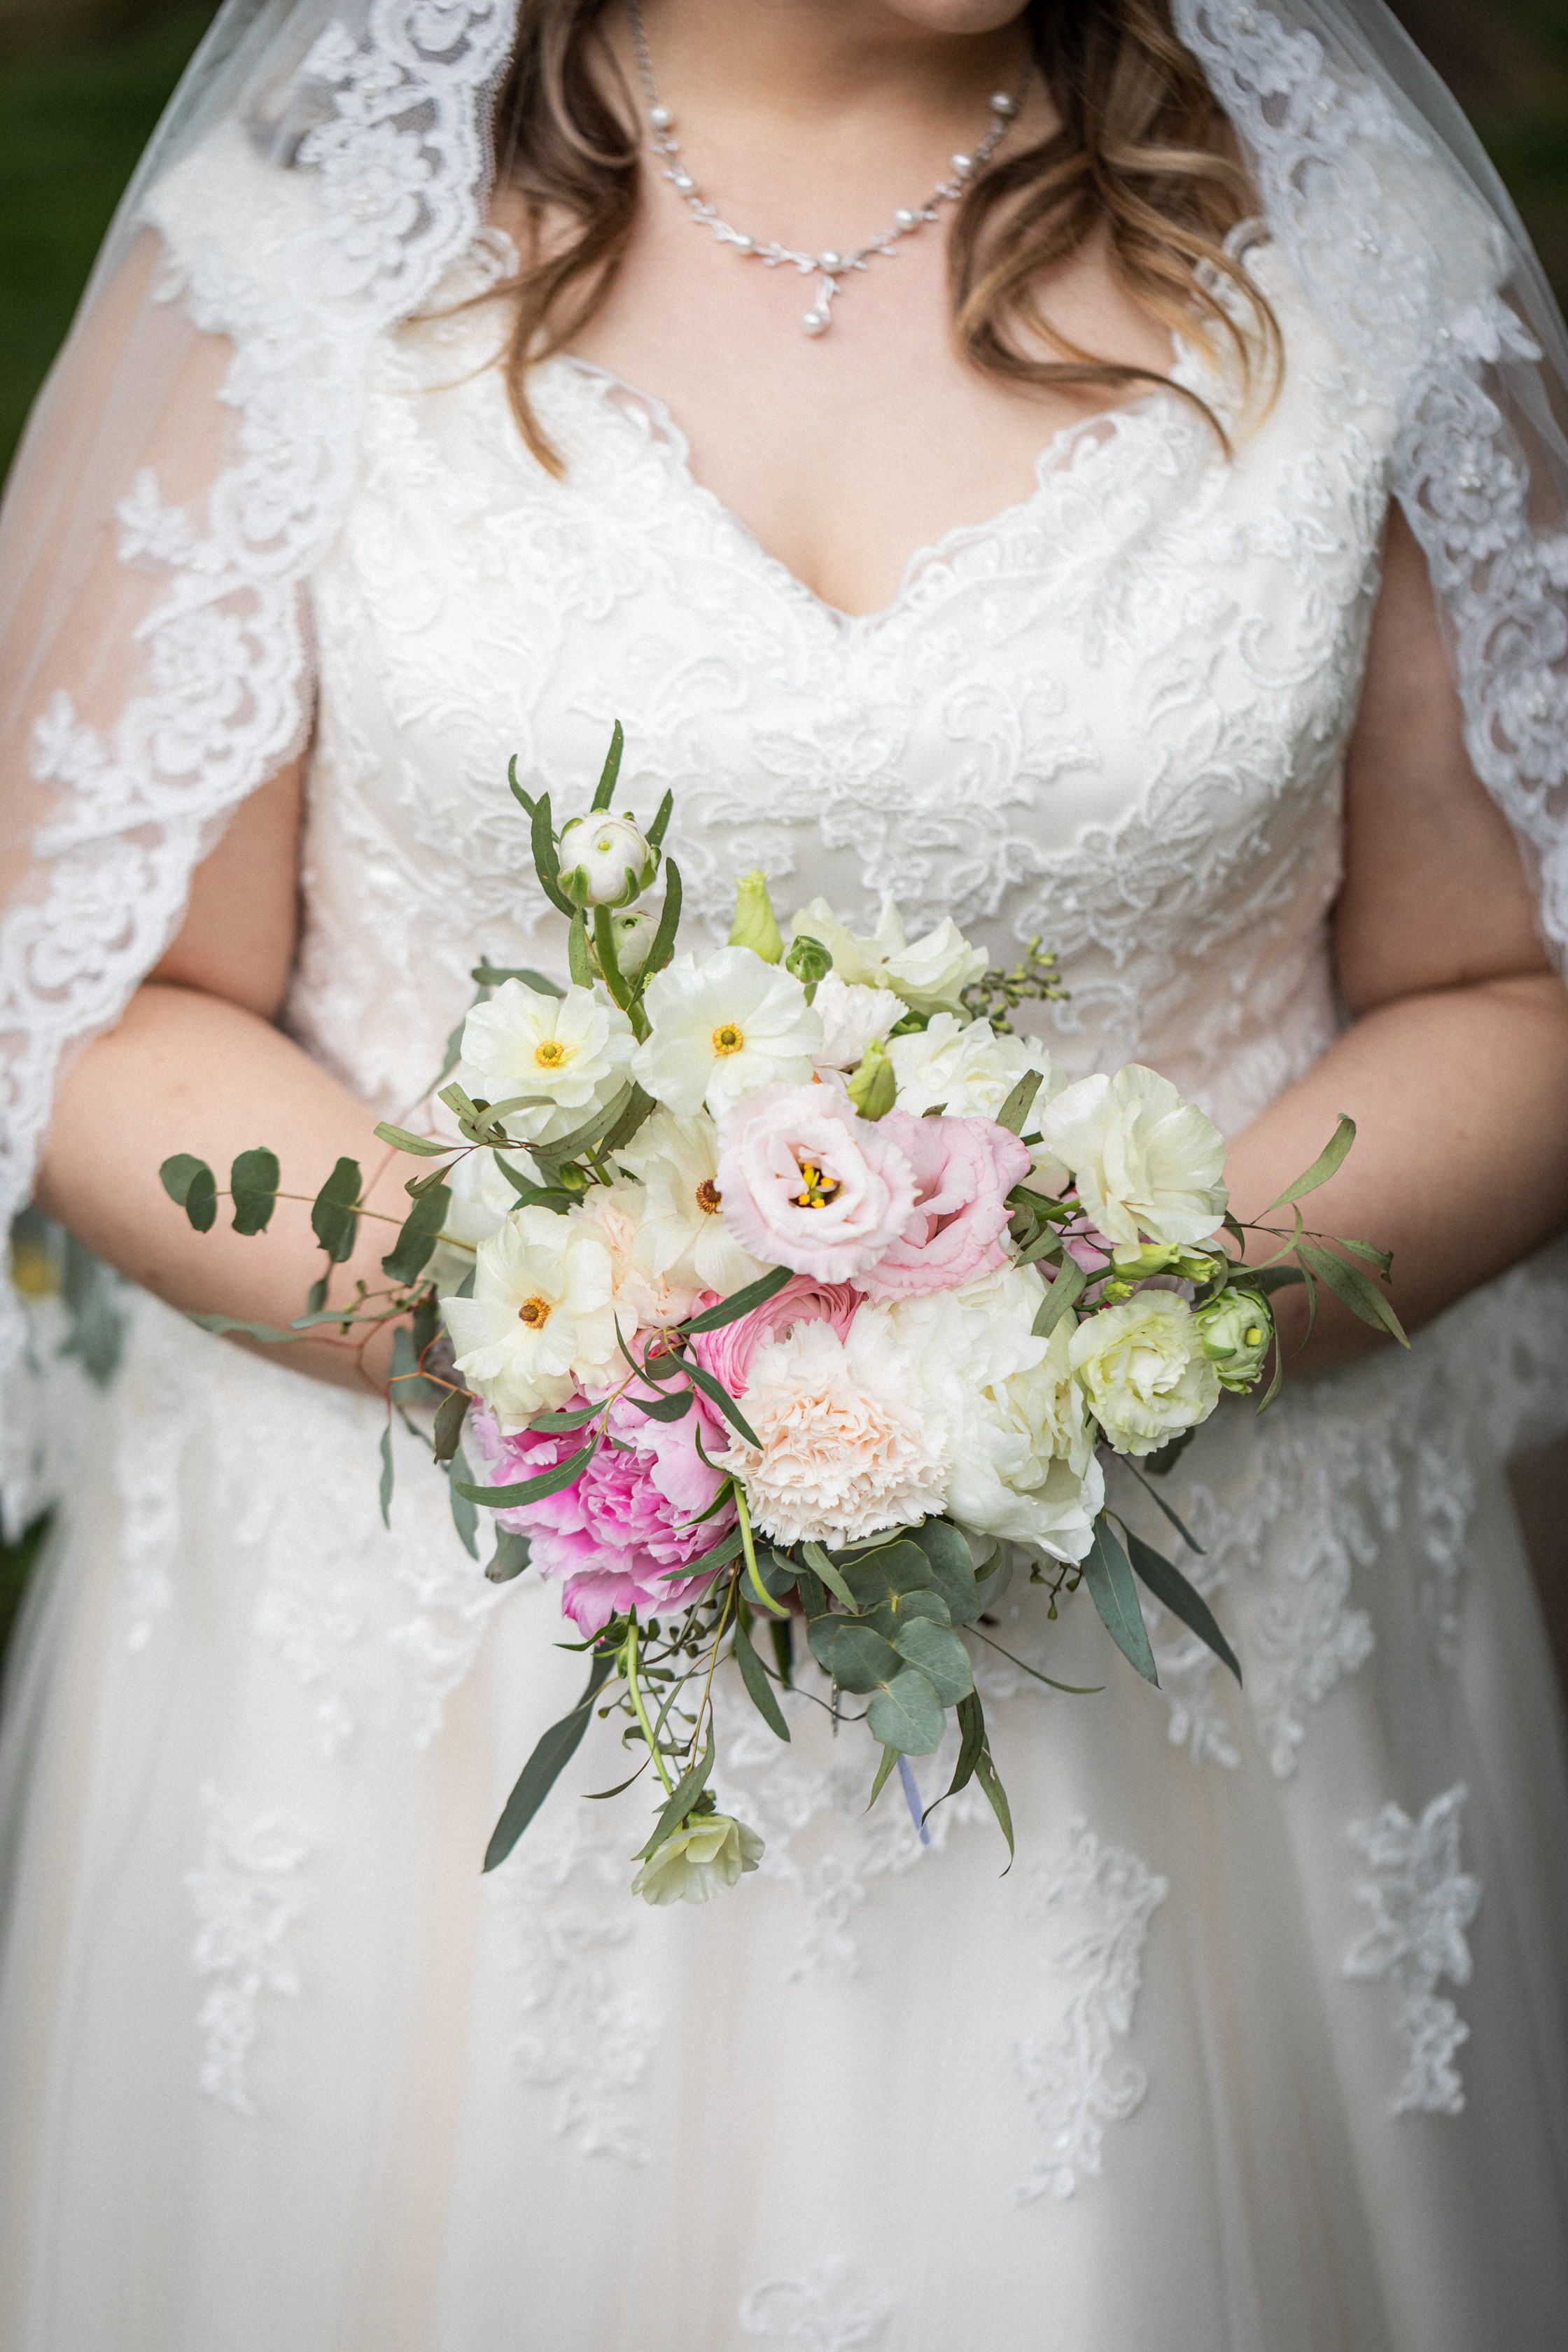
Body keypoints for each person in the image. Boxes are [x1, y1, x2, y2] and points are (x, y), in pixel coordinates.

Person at [1, 0, 1566, 2342]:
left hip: (1176, 1729)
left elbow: (1515, 995)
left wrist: (1097, 1331)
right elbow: (103, 995)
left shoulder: (1353, 271)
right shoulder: (307, 267)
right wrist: (539, 1332)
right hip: (437, 1719)